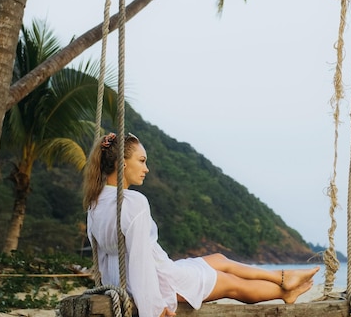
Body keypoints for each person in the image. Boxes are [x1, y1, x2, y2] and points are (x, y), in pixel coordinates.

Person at [83, 132, 320, 317]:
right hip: (156, 281)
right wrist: (153, 309)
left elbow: (103, 258)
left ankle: (283, 276)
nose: (146, 168)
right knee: (231, 284)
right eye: (142, 161)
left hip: (136, 279)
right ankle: (284, 291)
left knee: (218, 259)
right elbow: (140, 261)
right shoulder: (133, 203)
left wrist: (111, 286)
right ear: (122, 163)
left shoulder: (95, 202)